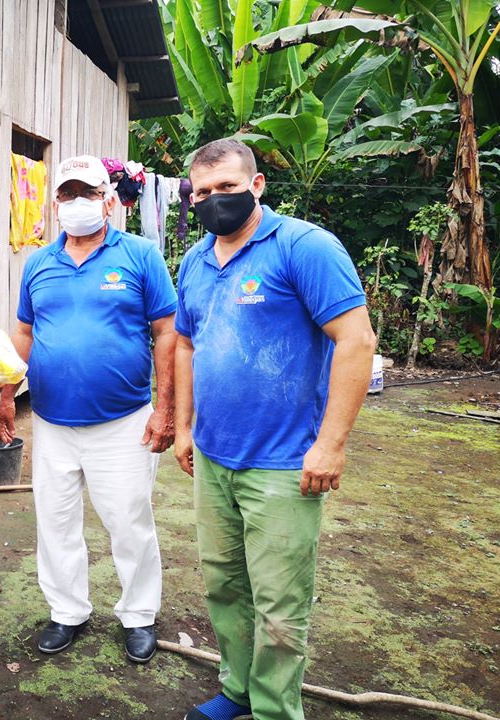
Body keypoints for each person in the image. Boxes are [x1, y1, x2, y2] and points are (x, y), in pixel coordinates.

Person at [173, 139, 376, 720]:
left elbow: (356, 340)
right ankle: (237, 689)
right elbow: (186, 344)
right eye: (203, 192)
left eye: (228, 188)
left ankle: (274, 710)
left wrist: (331, 444)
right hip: (215, 457)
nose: (215, 200)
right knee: (224, 585)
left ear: (257, 185)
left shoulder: (304, 247)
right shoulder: (195, 261)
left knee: (279, 605)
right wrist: (183, 428)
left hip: (284, 463)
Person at [0, 155, 178, 664]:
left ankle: (138, 615)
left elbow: (167, 332)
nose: (78, 202)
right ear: (55, 204)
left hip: (124, 421)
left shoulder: (140, 255)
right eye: (68, 194)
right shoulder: (38, 263)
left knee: (129, 522)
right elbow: (24, 333)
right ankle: (67, 611)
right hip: (52, 422)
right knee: (55, 523)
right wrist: (6, 396)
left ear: (108, 201)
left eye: (89, 193)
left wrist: (165, 409)